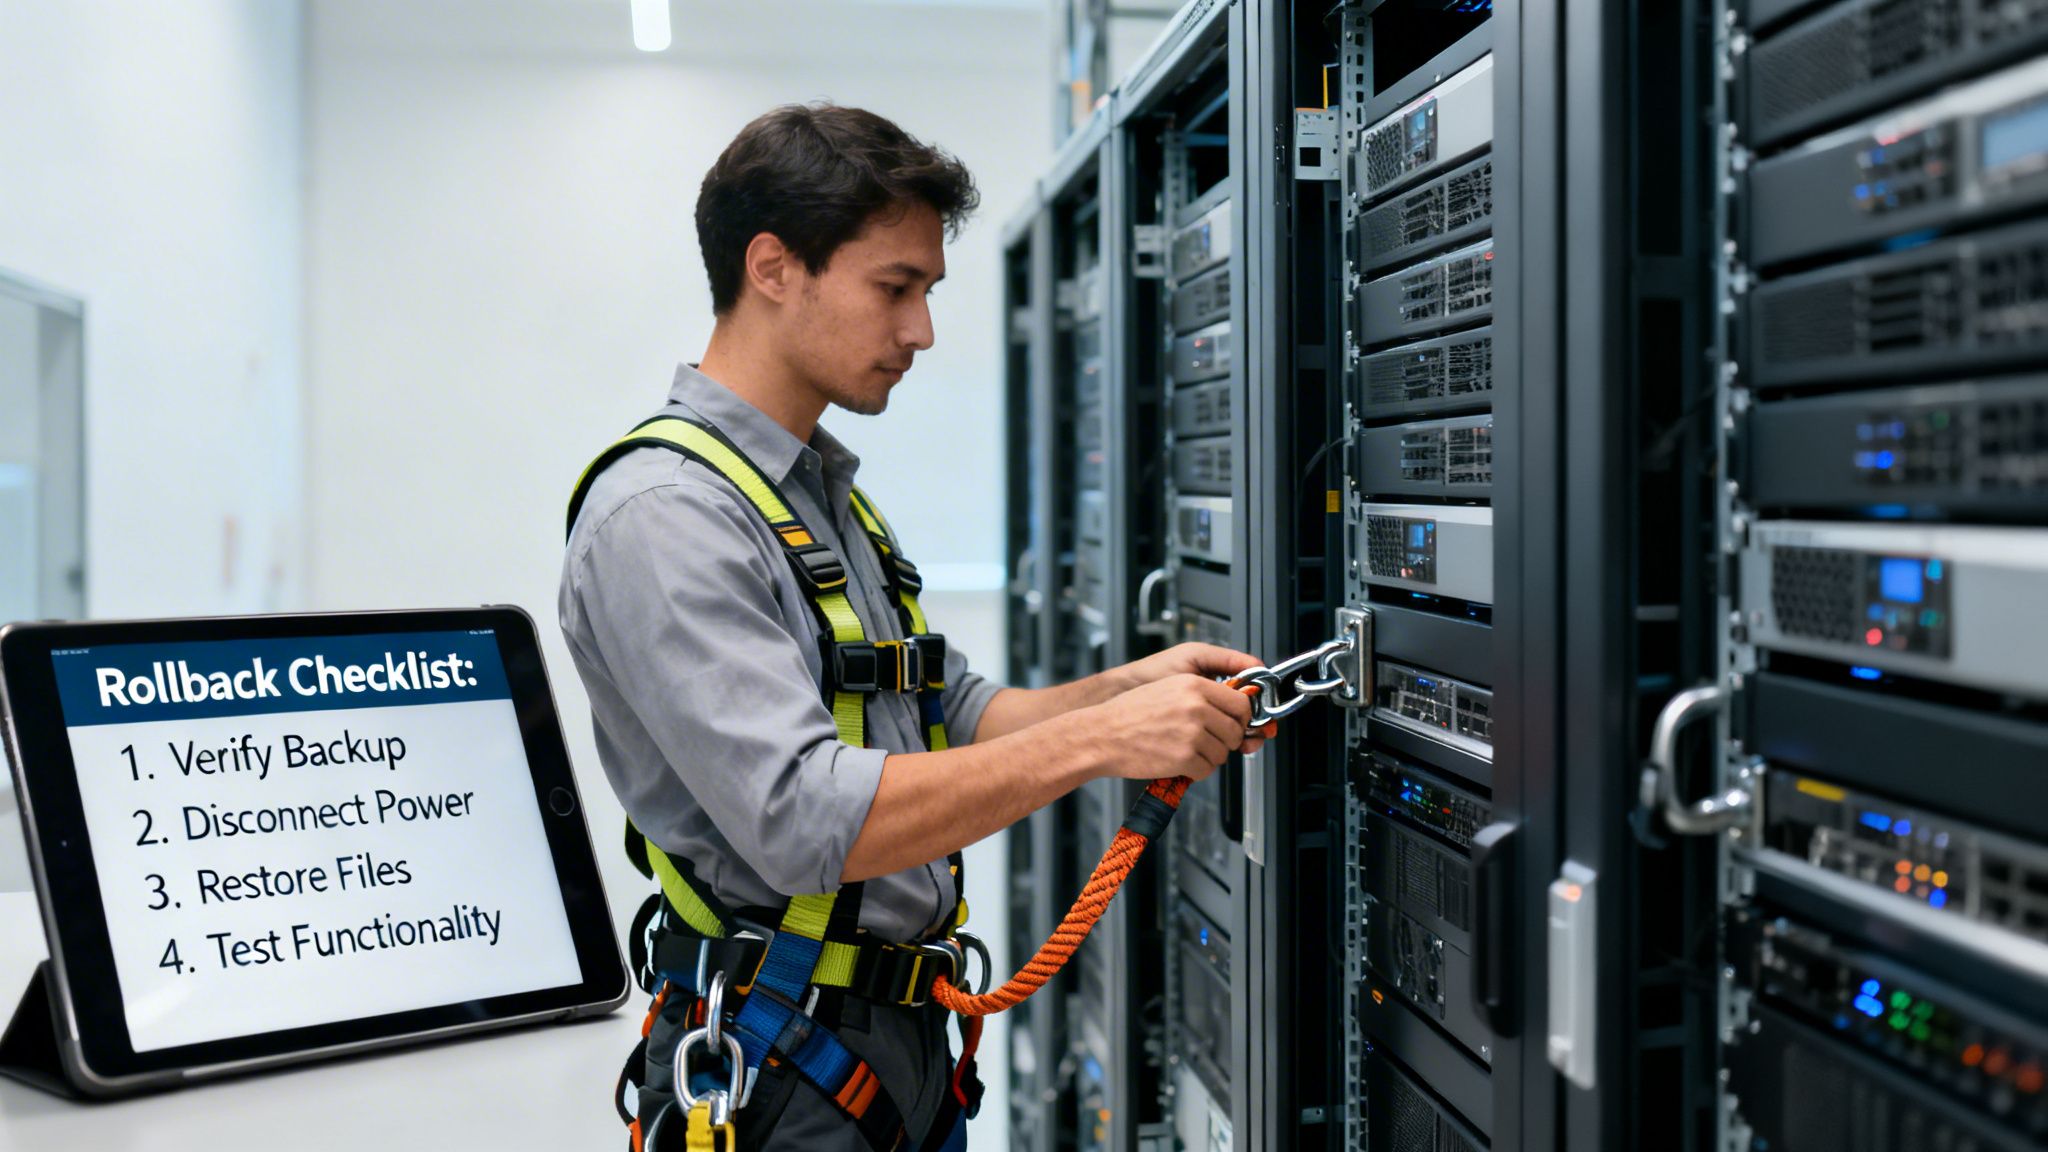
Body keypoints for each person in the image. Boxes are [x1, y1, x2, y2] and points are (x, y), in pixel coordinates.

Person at [559, 102, 1269, 1151]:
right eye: (894, 289)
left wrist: (1123, 691)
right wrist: (1103, 743)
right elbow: (803, 818)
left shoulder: (812, 494)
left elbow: (949, 711)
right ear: (773, 267)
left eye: (925, 293)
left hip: (886, 1047)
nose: (920, 332)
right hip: (779, 1060)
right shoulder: (666, 517)